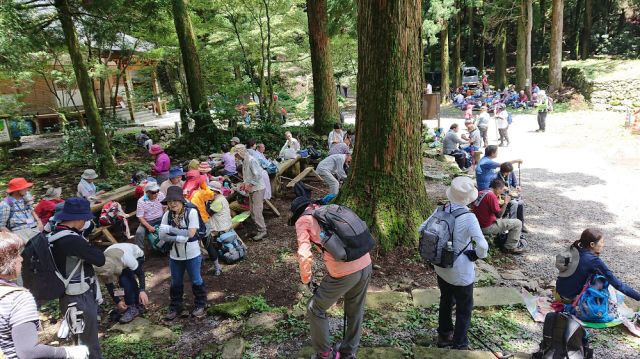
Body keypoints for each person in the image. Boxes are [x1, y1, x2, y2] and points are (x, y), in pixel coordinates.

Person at [289, 196, 371, 359]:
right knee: (355, 310)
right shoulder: (330, 210)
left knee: (315, 308)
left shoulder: (303, 221)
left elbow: (304, 254)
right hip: (365, 263)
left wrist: (307, 279)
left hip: (343, 272)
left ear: (298, 213)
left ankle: (325, 354)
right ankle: (348, 353)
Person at [418, 177, 487, 349]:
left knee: (446, 299)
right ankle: (460, 344)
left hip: (441, 266)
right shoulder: (469, 218)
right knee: (464, 307)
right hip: (461, 271)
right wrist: (477, 255)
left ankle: (444, 335)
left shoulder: (440, 210)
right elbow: (483, 245)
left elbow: (421, 229)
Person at [0, 232, 89, 359]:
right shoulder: (17, 298)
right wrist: (69, 353)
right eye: (17, 255)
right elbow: (28, 352)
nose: (21, 259)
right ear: (8, 261)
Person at [50, 197, 106, 359]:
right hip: (78, 296)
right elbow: (100, 259)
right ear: (79, 219)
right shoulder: (72, 240)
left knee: (79, 334)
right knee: (88, 340)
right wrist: (86, 243)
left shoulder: (55, 233)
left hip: (66, 294)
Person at [158, 186, 208, 319]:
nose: (172, 204)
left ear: (181, 201)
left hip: (192, 254)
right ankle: (175, 306)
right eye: (169, 202)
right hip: (175, 255)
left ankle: (201, 304)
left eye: (175, 201)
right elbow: (162, 236)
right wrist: (178, 236)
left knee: (196, 279)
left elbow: (191, 234)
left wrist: (170, 230)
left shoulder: (191, 213)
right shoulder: (167, 215)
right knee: (175, 282)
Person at [555, 228, 640, 304]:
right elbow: (617, 284)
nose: (603, 245)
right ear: (592, 244)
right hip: (570, 300)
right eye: (601, 242)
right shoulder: (593, 260)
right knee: (604, 281)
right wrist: (638, 297)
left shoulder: (574, 249)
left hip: (558, 294)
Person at [94, 243, 148, 324]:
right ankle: (138, 305)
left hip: (137, 256)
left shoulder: (127, 258)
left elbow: (140, 274)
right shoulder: (102, 264)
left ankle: (132, 307)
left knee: (124, 279)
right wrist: (118, 301)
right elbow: (109, 285)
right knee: (125, 280)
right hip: (117, 260)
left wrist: (142, 290)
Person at [473, 179, 524, 255]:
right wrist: (506, 203)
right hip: (487, 227)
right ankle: (509, 247)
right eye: (502, 190)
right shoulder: (492, 196)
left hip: (478, 223)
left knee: (506, 220)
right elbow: (499, 214)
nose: (503, 192)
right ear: (497, 189)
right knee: (517, 223)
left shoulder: (481, 192)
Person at [235, 145, 268, 241]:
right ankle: (259, 228)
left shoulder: (251, 160)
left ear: (240, 153)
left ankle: (263, 230)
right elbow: (248, 175)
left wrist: (249, 186)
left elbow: (257, 175)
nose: (236, 157)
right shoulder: (244, 161)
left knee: (257, 211)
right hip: (253, 188)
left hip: (257, 188)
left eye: (236, 154)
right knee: (253, 211)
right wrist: (244, 183)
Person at [189, 181, 222, 275]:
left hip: (191, 223)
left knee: (194, 246)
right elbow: (210, 193)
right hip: (202, 222)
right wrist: (202, 184)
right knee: (208, 245)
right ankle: (216, 267)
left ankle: (195, 272)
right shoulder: (200, 193)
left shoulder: (186, 193)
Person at [0, 178, 43, 245]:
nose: (27, 189)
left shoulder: (26, 198)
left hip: (34, 230)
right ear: (16, 190)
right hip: (20, 234)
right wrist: (16, 239)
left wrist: (39, 221)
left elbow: (31, 209)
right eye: (24, 188)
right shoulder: (5, 204)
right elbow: (1, 226)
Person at [491, 162, 527, 233]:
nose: (508, 174)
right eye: (507, 173)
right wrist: (502, 189)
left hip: (510, 195)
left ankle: (521, 224)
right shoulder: (495, 177)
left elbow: (514, 182)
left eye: (509, 173)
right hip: (502, 197)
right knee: (514, 203)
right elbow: (493, 190)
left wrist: (517, 186)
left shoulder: (511, 173)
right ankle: (512, 225)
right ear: (502, 171)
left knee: (521, 203)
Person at [135, 181, 166, 250]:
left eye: (157, 191)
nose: (156, 194)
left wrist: (166, 217)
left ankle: (170, 247)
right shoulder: (141, 201)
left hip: (161, 218)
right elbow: (140, 217)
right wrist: (149, 227)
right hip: (148, 221)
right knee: (139, 232)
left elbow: (165, 207)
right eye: (153, 192)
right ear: (147, 192)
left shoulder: (160, 195)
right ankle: (139, 251)